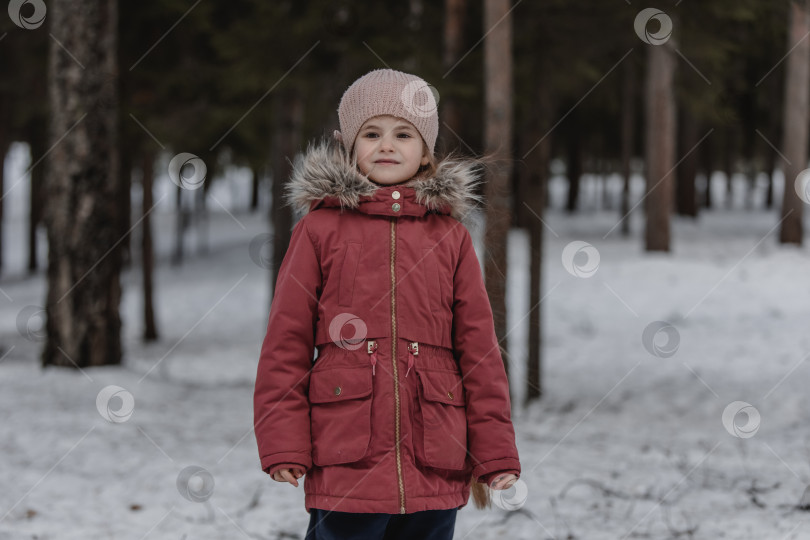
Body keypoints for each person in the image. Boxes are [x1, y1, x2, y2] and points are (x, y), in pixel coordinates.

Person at [253, 68, 521, 540]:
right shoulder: (319, 230)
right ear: (349, 145)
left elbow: (479, 352)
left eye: (404, 134)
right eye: (371, 133)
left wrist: (494, 451)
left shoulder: (450, 237)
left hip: (435, 454)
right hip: (346, 454)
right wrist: (283, 444)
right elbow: (286, 343)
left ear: (426, 151)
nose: (386, 145)